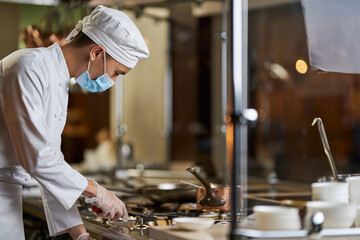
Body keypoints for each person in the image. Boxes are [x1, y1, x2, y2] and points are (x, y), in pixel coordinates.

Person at [0, 5, 149, 240]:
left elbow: (50, 166)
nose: (113, 81)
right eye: (117, 73)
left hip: (8, 196)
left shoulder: (58, 81)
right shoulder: (28, 68)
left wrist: (79, 234)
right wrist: (96, 191)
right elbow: (38, 160)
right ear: (96, 53)